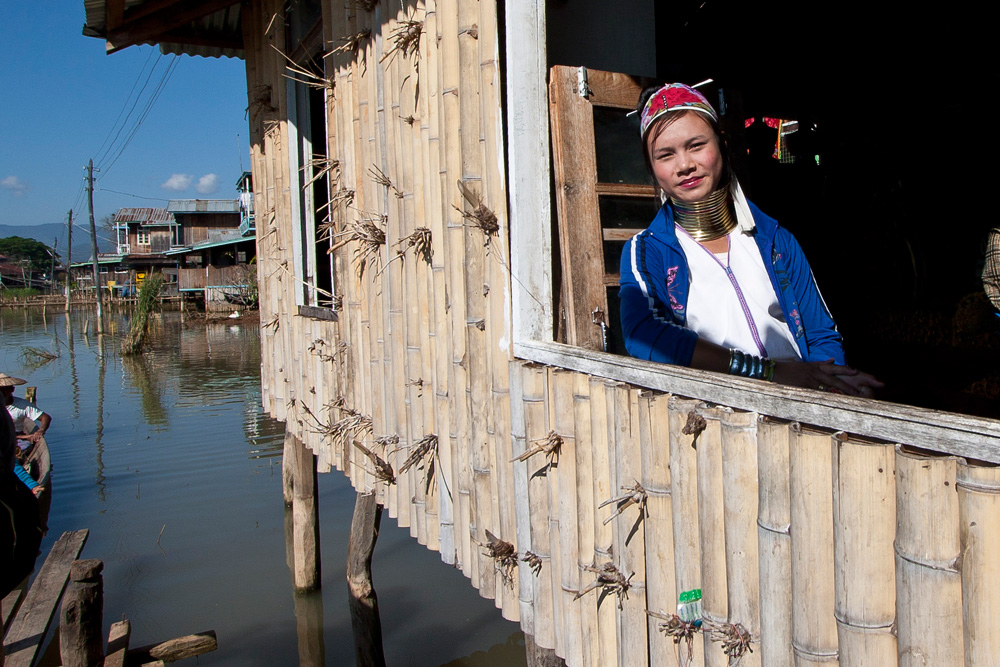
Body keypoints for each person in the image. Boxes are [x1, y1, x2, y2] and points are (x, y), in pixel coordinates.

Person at [619, 83, 882, 396]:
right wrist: (768, 372)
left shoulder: (775, 240)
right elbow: (643, 334)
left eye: (696, 145)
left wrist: (829, 388)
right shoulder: (648, 252)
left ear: (723, 143)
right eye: (666, 155)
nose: (685, 165)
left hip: (799, 408)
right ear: (651, 169)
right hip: (714, 416)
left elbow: (820, 333)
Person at [0, 373, 51, 444]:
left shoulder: (22, 405)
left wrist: (41, 430)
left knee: (24, 446)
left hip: (16, 437)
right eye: (0, 389)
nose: (2, 392)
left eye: (5, 389)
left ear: (12, 389)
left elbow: (45, 417)